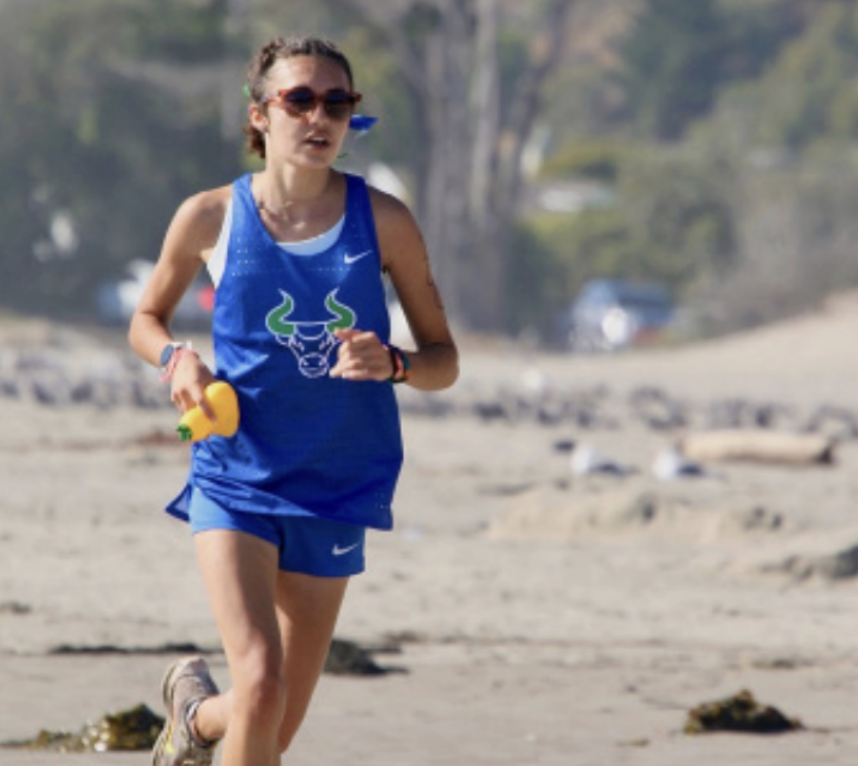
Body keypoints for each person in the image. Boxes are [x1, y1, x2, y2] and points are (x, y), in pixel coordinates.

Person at [128, 35, 458, 766]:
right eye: (300, 99)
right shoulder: (210, 216)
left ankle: (191, 716)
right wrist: (178, 357)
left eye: (337, 102)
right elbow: (144, 321)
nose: (321, 116)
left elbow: (445, 361)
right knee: (261, 683)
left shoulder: (387, 222)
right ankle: (204, 715)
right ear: (260, 115)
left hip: (340, 482)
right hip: (235, 474)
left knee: (268, 719)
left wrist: (396, 362)